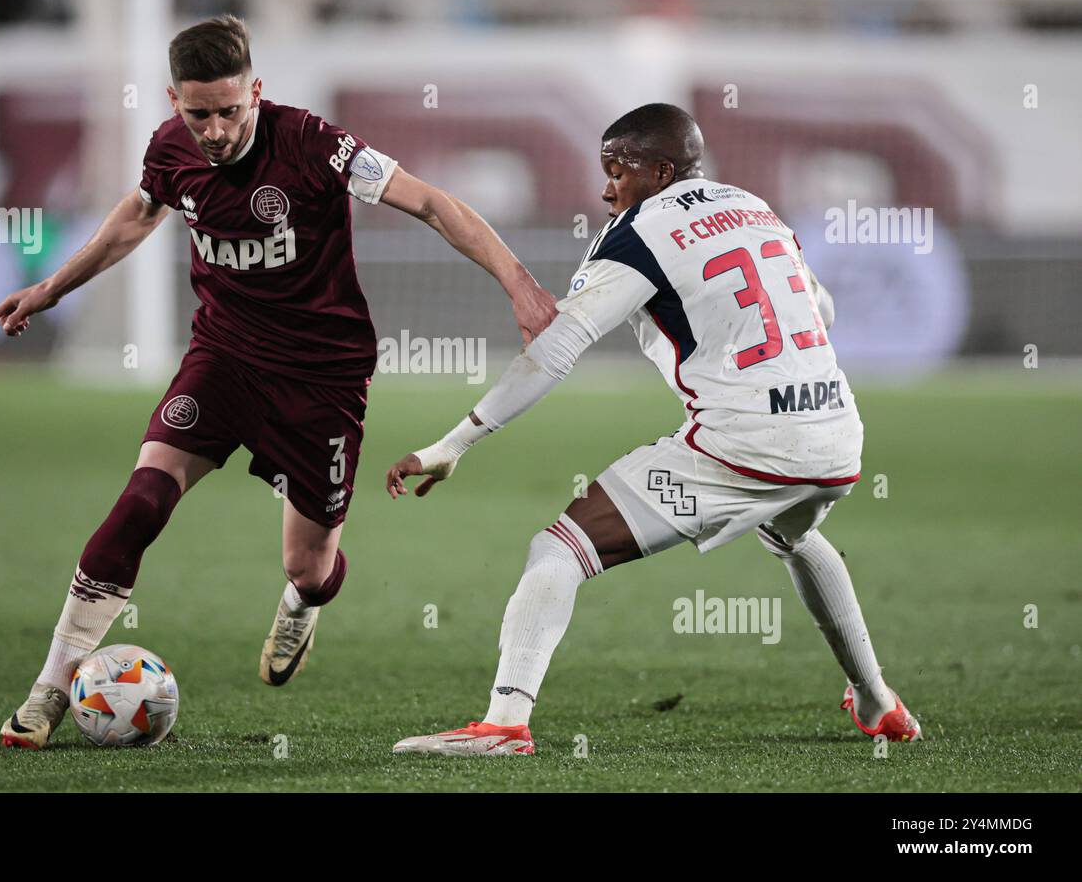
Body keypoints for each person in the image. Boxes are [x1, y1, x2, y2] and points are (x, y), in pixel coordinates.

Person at [0, 14, 556, 749]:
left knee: (310, 564)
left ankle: (303, 600)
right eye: (199, 114)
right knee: (143, 497)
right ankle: (48, 691)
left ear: (257, 91)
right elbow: (138, 212)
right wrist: (53, 288)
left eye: (230, 110)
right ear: (173, 101)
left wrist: (518, 283)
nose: (217, 130)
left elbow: (432, 203)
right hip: (223, 357)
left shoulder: (314, 145)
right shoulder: (170, 149)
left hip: (322, 377)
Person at [386, 103, 920, 756]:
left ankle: (503, 724)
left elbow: (556, 347)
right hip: (835, 436)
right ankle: (876, 699)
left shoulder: (641, 232)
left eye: (618, 171)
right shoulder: (755, 208)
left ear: (661, 171)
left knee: (559, 550)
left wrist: (453, 444)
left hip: (747, 446)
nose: (606, 186)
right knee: (794, 534)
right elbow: (824, 309)